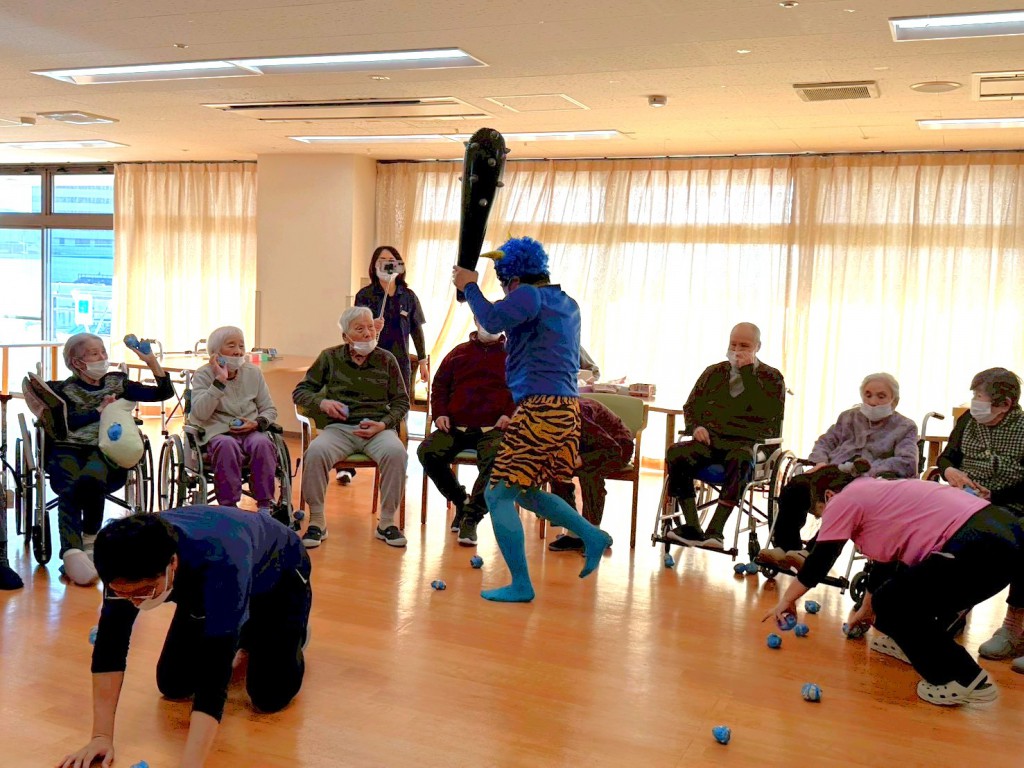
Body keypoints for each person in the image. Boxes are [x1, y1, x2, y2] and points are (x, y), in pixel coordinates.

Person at [57, 507, 311, 768]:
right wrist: (100, 737)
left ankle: (287, 631)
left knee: (269, 695)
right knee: (174, 684)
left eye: (145, 591)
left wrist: (190, 764)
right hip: (204, 586)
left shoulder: (222, 561)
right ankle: (236, 624)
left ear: (172, 564)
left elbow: (214, 677)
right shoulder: (122, 561)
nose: (134, 601)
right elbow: (110, 644)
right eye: (123, 593)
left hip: (278, 577)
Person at [764, 460, 1022, 706]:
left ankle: (965, 680)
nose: (825, 520)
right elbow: (884, 567)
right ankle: (907, 647)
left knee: (892, 603)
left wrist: (787, 600)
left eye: (819, 513)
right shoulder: (875, 492)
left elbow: (820, 561)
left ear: (829, 496)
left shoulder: (843, 500)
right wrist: (866, 611)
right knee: (888, 600)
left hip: (981, 546)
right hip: (1002, 532)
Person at [453, 236, 612, 603]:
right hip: (564, 408)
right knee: (524, 492)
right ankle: (591, 534)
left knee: (497, 494)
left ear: (511, 277)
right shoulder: (565, 302)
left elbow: (492, 320)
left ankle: (522, 584)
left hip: (542, 408)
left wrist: (470, 286)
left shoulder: (527, 295)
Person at [45, 333, 173, 586]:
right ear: (77, 362)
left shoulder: (117, 382)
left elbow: (163, 393)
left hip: (105, 450)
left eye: (103, 351)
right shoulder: (63, 390)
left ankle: (87, 542)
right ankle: (73, 552)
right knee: (70, 486)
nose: (103, 357)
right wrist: (99, 410)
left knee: (90, 479)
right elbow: (68, 423)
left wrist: (151, 362)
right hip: (68, 448)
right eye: (95, 353)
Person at [758, 372, 918, 571]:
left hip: (868, 482)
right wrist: (820, 461)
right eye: (868, 395)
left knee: (844, 500)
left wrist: (870, 471)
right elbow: (825, 442)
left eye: (881, 396)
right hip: (833, 471)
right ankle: (786, 548)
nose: (873, 401)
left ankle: (812, 555)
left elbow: (907, 461)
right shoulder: (848, 417)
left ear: (894, 400)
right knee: (797, 485)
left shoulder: (905, 427)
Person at [292, 306, 410, 549]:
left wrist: (383, 424)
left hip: (378, 429)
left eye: (370, 327)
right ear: (346, 336)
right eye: (360, 329)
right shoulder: (329, 357)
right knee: (315, 452)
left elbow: (402, 401)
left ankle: (387, 522)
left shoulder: (387, 359)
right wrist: (323, 403)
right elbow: (300, 392)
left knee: (397, 453)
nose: (368, 333)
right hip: (339, 429)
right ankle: (317, 521)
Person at [664, 323, 786, 550]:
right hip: (711, 440)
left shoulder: (772, 377)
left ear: (757, 347)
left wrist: (748, 373)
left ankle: (716, 531)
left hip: (746, 442)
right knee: (676, 453)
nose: (737, 350)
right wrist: (695, 427)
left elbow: (768, 412)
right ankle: (692, 526)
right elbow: (691, 406)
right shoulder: (714, 372)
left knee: (741, 459)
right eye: (733, 344)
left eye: (744, 346)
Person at [935, 368, 1024, 665]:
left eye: (979, 396)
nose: (974, 402)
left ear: (1005, 404)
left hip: (1010, 504)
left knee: (1006, 539)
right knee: (929, 528)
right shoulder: (967, 421)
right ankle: (946, 608)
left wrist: (994, 496)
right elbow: (946, 457)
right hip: (964, 498)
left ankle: (1013, 627)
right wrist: (951, 471)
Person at [417, 320, 515, 546]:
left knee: (498, 458)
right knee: (427, 452)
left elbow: (522, 389)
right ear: (476, 321)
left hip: (494, 428)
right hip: (455, 426)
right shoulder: (458, 353)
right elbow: (439, 387)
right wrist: (440, 413)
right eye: (485, 319)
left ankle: (471, 517)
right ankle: (461, 500)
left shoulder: (513, 356)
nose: (490, 325)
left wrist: (509, 414)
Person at [344, 246, 427, 486]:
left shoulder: (408, 296)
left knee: (400, 412)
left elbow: (417, 330)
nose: (387, 263)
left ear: (399, 265)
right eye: (382, 259)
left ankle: (397, 463)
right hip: (369, 361)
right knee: (360, 406)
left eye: (391, 260)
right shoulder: (365, 295)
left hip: (399, 363)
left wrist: (423, 360)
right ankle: (348, 466)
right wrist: (370, 326)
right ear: (374, 265)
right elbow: (352, 328)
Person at [188, 325, 279, 513]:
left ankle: (264, 505)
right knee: (226, 445)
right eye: (231, 346)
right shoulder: (203, 375)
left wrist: (257, 423)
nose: (238, 351)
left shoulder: (253, 373)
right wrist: (219, 381)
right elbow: (199, 414)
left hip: (251, 429)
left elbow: (269, 409)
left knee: (263, 443)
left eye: (241, 346)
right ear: (216, 353)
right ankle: (229, 507)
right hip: (217, 432)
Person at [548, 398, 634, 551]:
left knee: (590, 474)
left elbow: (613, 450)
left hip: (617, 447)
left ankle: (593, 533)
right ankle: (574, 532)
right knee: (556, 471)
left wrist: (582, 459)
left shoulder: (577, 414)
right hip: (585, 447)